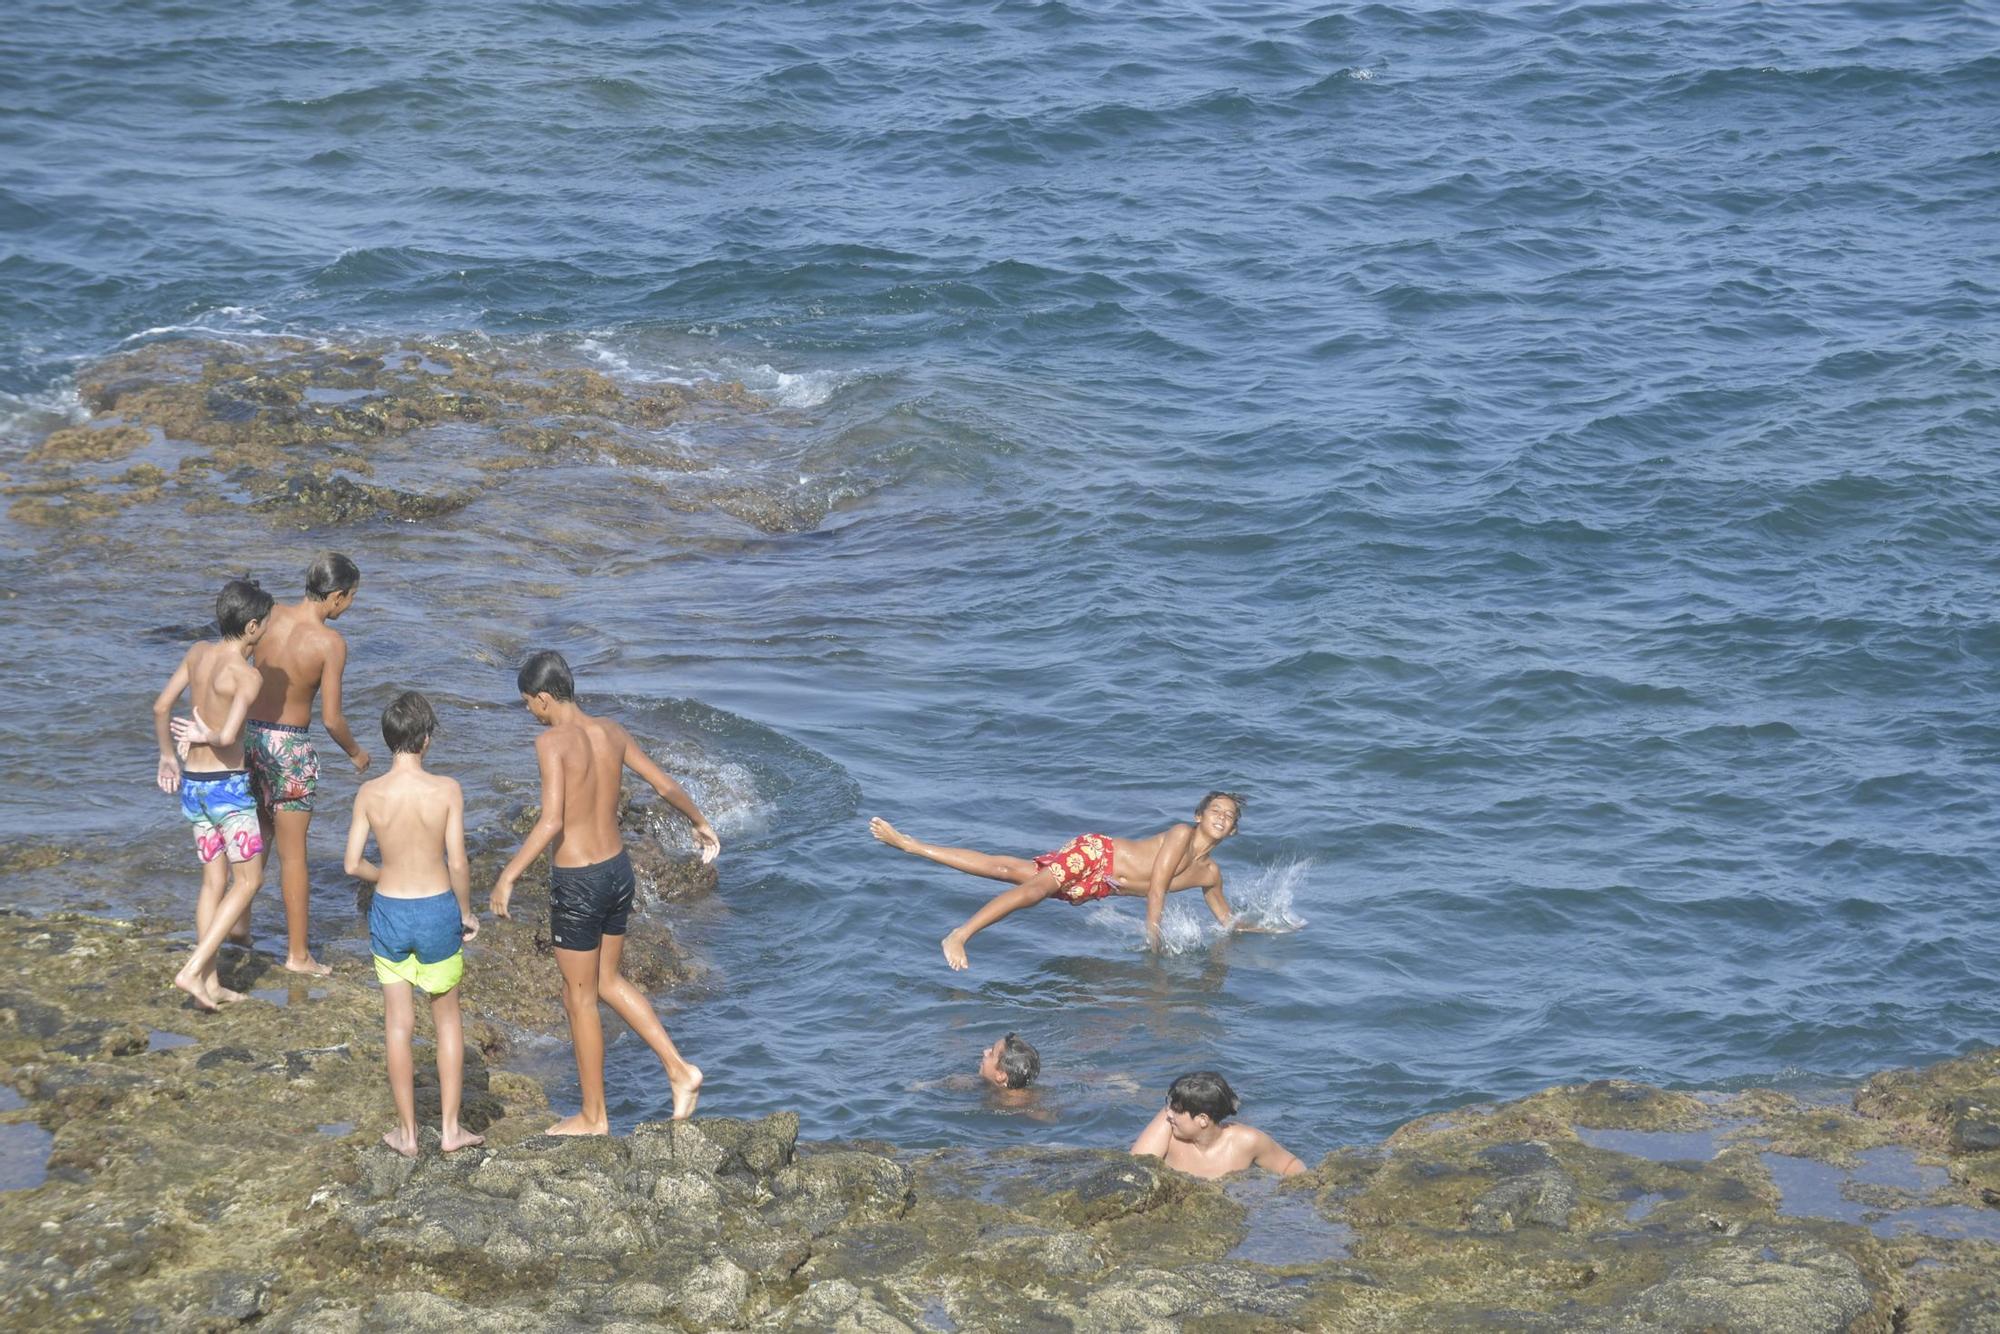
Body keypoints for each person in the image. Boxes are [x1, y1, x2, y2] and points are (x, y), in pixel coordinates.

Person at [491, 650, 720, 1132]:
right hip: (618, 872)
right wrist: (699, 821)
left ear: (544, 698)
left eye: (528, 703)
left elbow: (551, 821)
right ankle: (680, 1071)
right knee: (607, 981)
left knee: (579, 998)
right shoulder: (612, 731)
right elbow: (662, 784)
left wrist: (508, 875)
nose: (530, 712)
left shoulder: (551, 742)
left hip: (578, 882)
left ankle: (594, 1117)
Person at [869, 791, 1250, 971]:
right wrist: (1155, 946)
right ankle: (960, 934)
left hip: (1097, 886)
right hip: (1096, 854)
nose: (1221, 816)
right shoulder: (1181, 834)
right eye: (1214, 810)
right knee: (1034, 891)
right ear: (1198, 816)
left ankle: (912, 845)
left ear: (1233, 830)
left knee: (1007, 871)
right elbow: (1156, 889)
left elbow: (1226, 920)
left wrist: (1257, 929)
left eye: (1229, 815)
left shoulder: (1210, 874)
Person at [342, 692, 482, 1158]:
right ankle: (450, 1130)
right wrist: (465, 912)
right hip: (437, 908)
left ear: (388, 740)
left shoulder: (369, 793)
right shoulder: (447, 790)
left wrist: (384, 874)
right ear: (426, 739)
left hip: (390, 911)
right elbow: (457, 862)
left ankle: (407, 1135)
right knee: (447, 1022)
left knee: (398, 1025)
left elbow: (351, 863)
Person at [244, 550, 371, 977]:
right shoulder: (330, 644)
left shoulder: (270, 615)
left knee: (256, 836)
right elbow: (332, 719)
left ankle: (239, 927)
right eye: (350, 598)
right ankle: (298, 955)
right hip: (290, 749)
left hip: (250, 738)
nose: (348, 606)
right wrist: (356, 753)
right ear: (336, 596)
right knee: (294, 856)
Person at [156, 579, 273, 1011]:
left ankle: (210, 982)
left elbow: (161, 707)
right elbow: (226, 735)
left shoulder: (197, 653)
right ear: (252, 626)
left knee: (213, 882)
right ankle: (192, 970)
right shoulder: (247, 675)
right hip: (228, 791)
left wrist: (167, 757)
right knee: (250, 880)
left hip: (193, 787)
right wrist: (211, 734)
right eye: (266, 624)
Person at [1129, 1071, 1305, 1179]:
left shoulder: (1247, 1141)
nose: (1168, 1112)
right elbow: (1132, 1166)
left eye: (1176, 1109)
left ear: (1203, 1119)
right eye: (1168, 1106)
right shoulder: (1168, 1126)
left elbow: (1291, 1166)